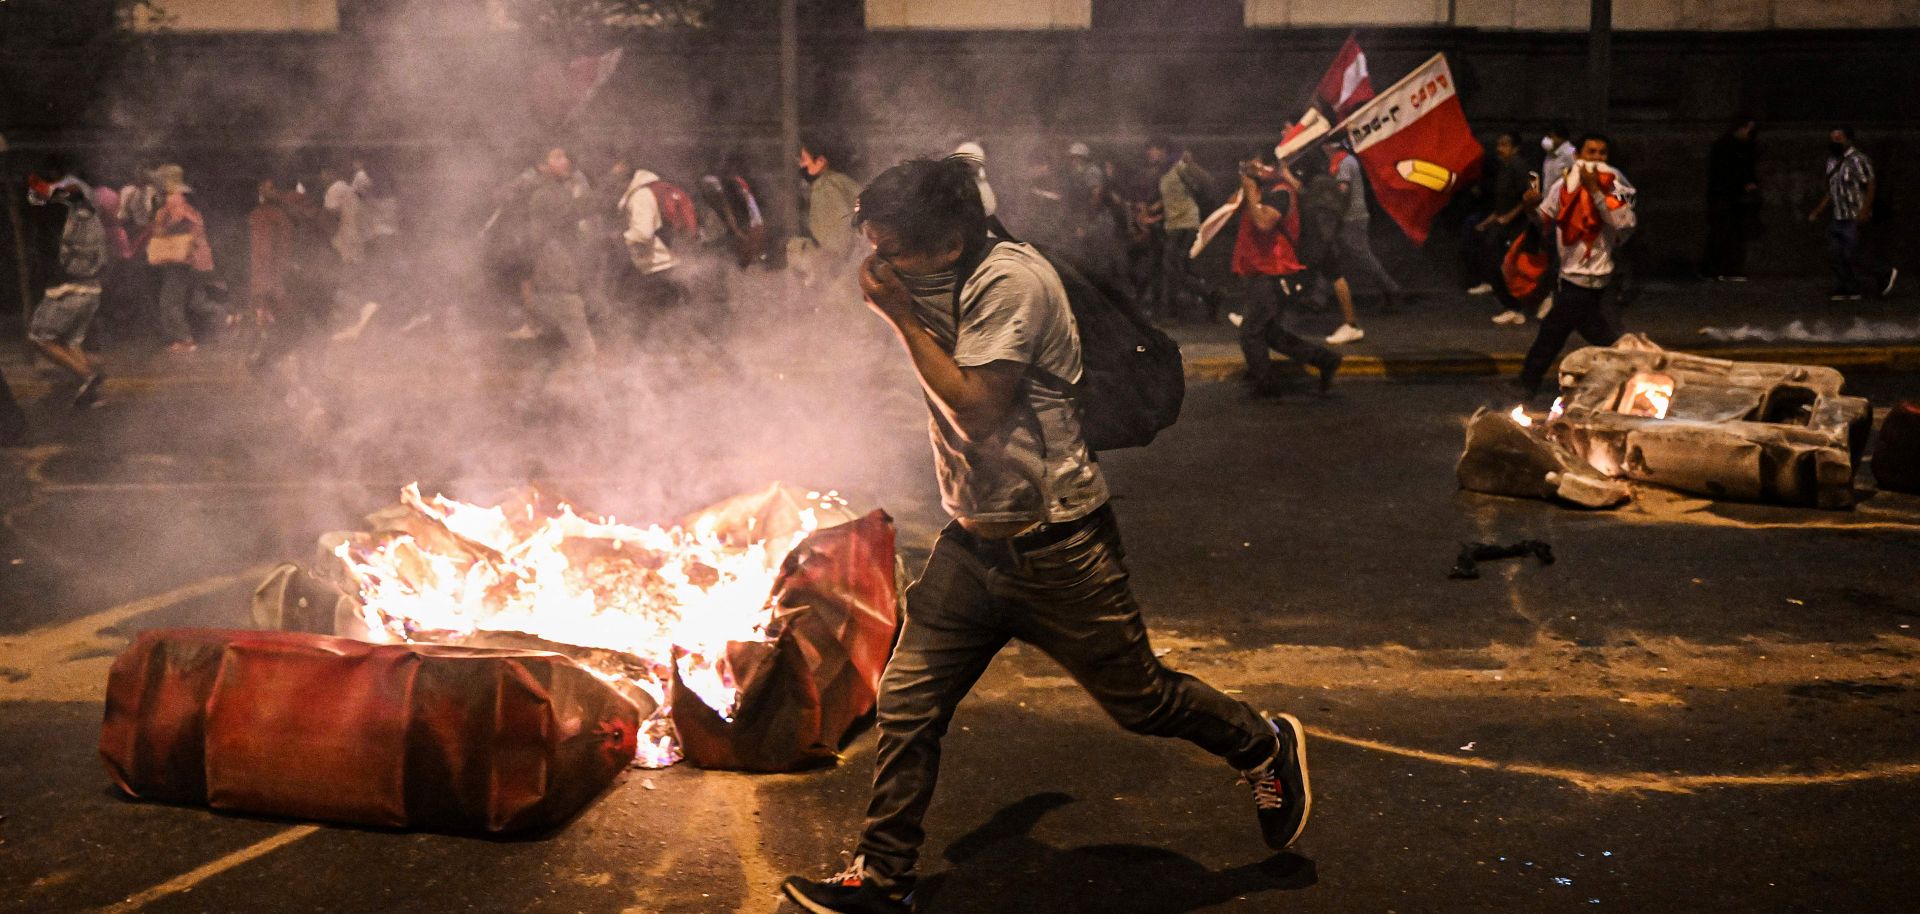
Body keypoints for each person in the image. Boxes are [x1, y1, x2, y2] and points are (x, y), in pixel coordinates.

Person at [780, 158, 1311, 914]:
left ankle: (1261, 743)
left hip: (1057, 543)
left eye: (891, 249)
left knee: (1142, 702)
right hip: (974, 544)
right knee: (907, 702)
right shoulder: (935, 277)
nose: (878, 266)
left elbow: (974, 409)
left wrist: (897, 316)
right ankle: (882, 878)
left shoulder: (1012, 284)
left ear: (950, 240)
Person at [1514, 133, 1637, 397]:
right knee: (1582, 331)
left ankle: (1527, 382)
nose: (1596, 159)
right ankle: (1633, 369)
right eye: (1590, 152)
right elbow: (1543, 219)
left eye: (1602, 154)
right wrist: (1529, 208)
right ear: (1579, 156)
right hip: (1572, 275)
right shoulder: (1563, 186)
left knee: (1556, 331)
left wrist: (1596, 192)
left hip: (1598, 276)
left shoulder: (1616, 187)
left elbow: (1624, 222)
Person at [1232, 147, 1343, 395]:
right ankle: (1325, 360)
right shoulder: (1268, 191)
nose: (1249, 171)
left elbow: (1263, 223)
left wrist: (1250, 189)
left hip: (1274, 270)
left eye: (1254, 165)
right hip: (1264, 268)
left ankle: (1266, 386)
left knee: (1251, 331)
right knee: (1269, 332)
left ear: (1270, 167)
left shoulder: (1280, 193)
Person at [26, 177, 109, 406]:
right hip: (92, 288)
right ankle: (92, 393)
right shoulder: (93, 220)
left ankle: (88, 376)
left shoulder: (73, 210)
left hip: (69, 288)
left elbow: (42, 194)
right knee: (71, 341)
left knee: (40, 337)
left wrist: (32, 181)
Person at [1323, 137, 1403, 327]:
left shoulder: (1344, 163)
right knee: (1331, 255)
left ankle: (1391, 289)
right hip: (1347, 217)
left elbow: (1342, 189)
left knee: (1362, 258)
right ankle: (1318, 297)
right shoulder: (1341, 161)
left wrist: (1324, 194)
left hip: (1352, 218)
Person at [1809, 127, 1897, 302]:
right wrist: (1819, 210)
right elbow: (1832, 189)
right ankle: (1848, 286)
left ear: (1848, 140)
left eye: (1838, 138)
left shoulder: (1858, 159)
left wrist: (1865, 209)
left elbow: (1870, 184)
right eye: (1832, 138)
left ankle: (1884, 272)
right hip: (1838, 215)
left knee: (1852, 253)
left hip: (1853, 214)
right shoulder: (1832, 161)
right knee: (1834, 253)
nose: (1835, 141)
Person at [1145, 136, 1218, 323]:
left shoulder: (1179, 167)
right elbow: (1173, 196)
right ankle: (1210, 296)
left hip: (1186, 224)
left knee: (1173, 269)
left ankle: (1172, 313)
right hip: (1173, 225)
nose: (1149, 153)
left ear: (1162, 150)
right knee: (1176, 270)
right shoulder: (1163, 172)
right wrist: (1156, 209)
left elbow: (1206, 182)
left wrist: (1192, 164)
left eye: (1153, 148)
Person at [147, 164, 218, 354]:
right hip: (189, 258)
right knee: (195, 299)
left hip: (178, 258)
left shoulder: (173, 200)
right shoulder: (182, 200)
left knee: (170, 301)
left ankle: (184, 339)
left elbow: (170, 224)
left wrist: (160, 221)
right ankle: (227, 317)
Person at [1474, 132, 1535, 325]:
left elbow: (1527, 197)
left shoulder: (1519, 167)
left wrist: (1509, 217)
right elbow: (1503, 202)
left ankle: (1516, 307)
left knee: (1506, 267)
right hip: (1502, 225)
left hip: (1515, 227)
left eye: (1505, 145)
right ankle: (1511, 305)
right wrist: (1490, 220)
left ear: (1515, 147)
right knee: (1492, 261)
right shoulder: (1505, 167)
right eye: (1499, 144)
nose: (1500, 149)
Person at [613, 157, 686, 315]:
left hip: (657, 267)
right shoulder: (635, 194)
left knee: (657, 318)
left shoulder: (640, 196)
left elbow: (643, 233)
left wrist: (620, 238)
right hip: (654, 267)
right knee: (662, 318)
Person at [793, 136, 865, 287]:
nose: (801, 164)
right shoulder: (837, 181)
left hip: (838, 264)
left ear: (820, 162)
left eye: (804, 159)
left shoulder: (826, 188)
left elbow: (841, 226)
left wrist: (830, 257)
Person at [1703, 117, 1759, 282]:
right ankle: (1721, 269)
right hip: (1724, 197)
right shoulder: (1726, 147)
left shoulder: (1737, 146)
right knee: (1724, 233)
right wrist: (1743, 184)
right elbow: (1725, 173)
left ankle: (1718, 269)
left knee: (1727, 233)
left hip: (1729, 196)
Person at [1540, 123, 1576, 193]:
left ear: (1561, 138)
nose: (1546, 140)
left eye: (1550, 137)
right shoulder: (1550, 153)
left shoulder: (1571, 151)